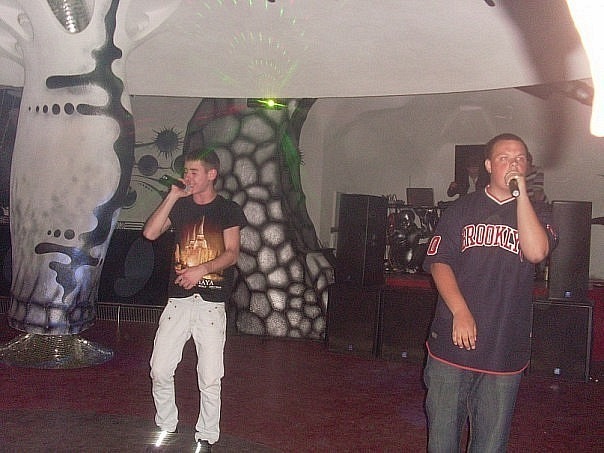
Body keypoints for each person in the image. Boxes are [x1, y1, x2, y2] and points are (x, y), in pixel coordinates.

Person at [422, 133, 557, 452]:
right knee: (442, 438)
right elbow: (439, 263)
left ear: (527, 167)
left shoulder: (538, 213)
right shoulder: (461, 209)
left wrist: (522, 197)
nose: (513, 164)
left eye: (519, 159)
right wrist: (460, 311)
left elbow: (536, 252)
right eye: (504, 158)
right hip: (453, 343)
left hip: (503, 346)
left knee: (491, 444)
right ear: (488, 165)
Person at [143, 148, 247, 452]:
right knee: (160, 368)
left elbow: (232, 253)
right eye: (185, 171)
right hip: (179, 301)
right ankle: (167, 423)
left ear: (211, 174)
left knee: (210, 376)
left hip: (211, 303)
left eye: (193, 172)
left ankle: (206, 435)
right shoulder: (180, 206)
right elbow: (150, 233)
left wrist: (201, 269)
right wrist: (173, 196)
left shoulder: (227, 209)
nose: (187, 177)